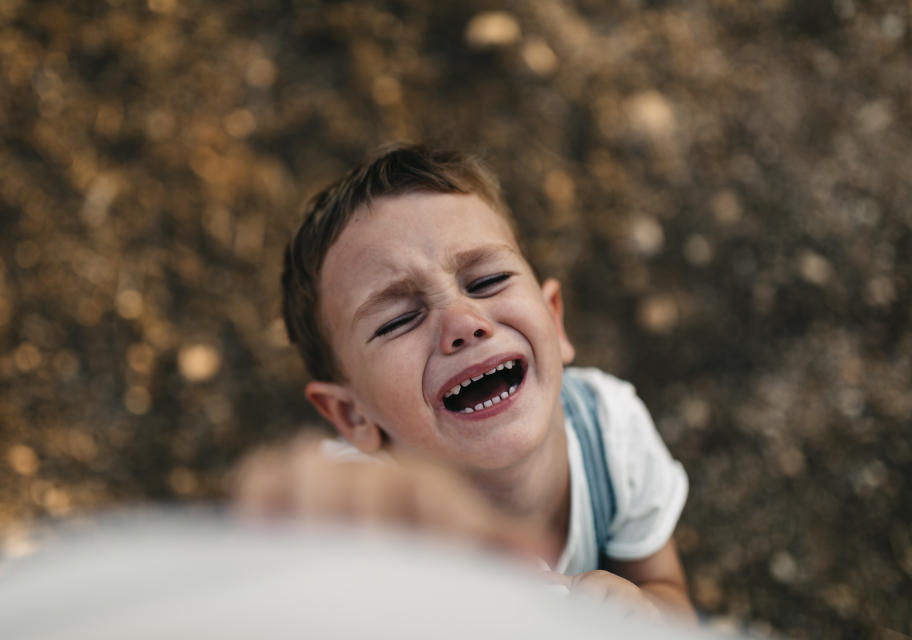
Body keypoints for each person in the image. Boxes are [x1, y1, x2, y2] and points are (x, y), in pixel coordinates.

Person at [235, 144, 694, 621]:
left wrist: (644, 615)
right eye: (398, 320)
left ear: (555, 324)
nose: (463, 321)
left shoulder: (612, 436)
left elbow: (665, 588)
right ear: (352, 414)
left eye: (488, 279)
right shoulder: (366, 519)